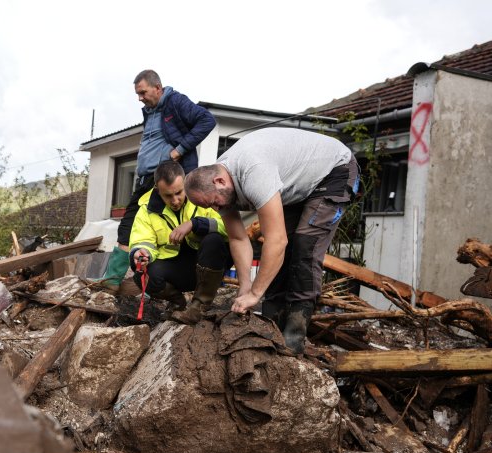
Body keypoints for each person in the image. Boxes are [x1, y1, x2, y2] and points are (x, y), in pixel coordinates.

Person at [184, 127, 360, 353]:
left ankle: (295, 334)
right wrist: (245, 286)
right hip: (298, 185)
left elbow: (276, 242)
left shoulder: (254, 173)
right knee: (279, 255)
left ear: (219, 181)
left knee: (304, 245)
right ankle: (272, 321)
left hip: (335, 170)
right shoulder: (219, 185)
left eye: (214, 203)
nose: (216, 209)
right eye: (209, 207)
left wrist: (256, 294)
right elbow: (238, 238)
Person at [98, 69, 216, 291]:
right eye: (138, 94)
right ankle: (112, 281)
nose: (139, 98)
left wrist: (179, 150)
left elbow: (207, 120)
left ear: (158, 88)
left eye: (142, 92)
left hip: (167, 181)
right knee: (129, 225)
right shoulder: (150, 111)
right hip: (147, 179)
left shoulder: (175, 102)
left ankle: (171, 283)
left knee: (166, 226)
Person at [128, 160, 229, 324]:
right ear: (157, 190)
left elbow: (230, 229)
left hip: (211, 263)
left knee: (214, 239)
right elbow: (142, 240)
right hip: (178, 269)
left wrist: (195, 224)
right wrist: (141, 253)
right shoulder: (145, 210)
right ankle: (178, 303)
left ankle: (198, 307)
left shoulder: (204, 193)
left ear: (186, 182)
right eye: (168, 195)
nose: (175, 200)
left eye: (179, 193)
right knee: (142, 276)